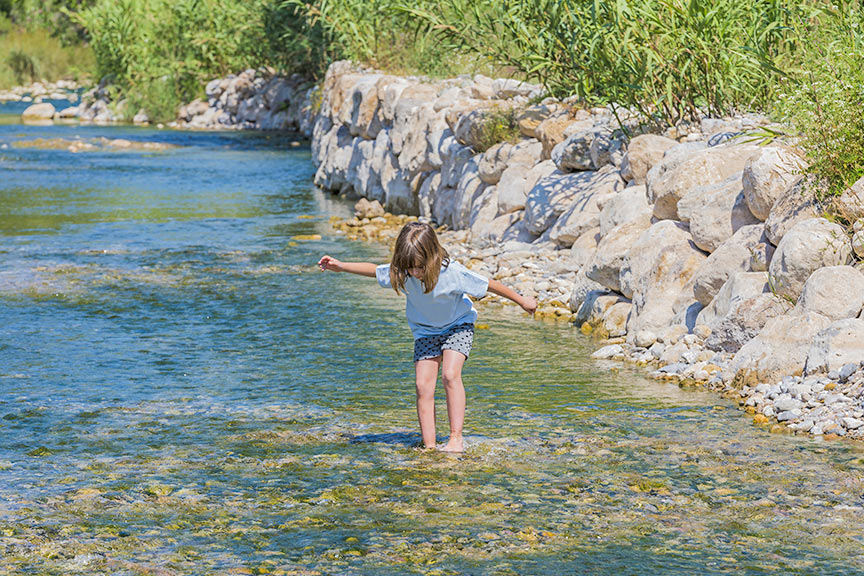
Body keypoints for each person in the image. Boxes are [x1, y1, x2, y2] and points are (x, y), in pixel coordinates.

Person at [318, 221, 537, 453]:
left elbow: (489, 285)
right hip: (425, 331)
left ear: (432, 255)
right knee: (423, 386)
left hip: (458, 325)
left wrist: (522, 301)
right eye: (410, 267)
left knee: (450, 375)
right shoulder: (403, 271)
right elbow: (374, 270)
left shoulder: (452, 272)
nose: (415, 272)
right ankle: (430, 446)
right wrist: (341, 266)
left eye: (419, 267)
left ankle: (455, 439)